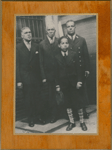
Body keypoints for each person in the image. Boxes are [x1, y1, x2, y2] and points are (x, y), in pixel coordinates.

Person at [55, 36, 87, 131]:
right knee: (68, 103)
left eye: (66, 43)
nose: (64, 45)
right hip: (64, 85)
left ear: (68, 45)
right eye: (62, 43)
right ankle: (71, 122)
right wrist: (57, 85)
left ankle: (82, 122)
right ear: (59, 45)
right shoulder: (56, 57)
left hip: (74, 84)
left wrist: (79, 81)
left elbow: (79, 69)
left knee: (78, 103)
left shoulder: (74, 54)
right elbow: (56, 73)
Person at [16, 27, 45, 127]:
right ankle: (31, 118)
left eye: (30, 32)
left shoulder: (36, 46)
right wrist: (19, 80)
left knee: (38, 98)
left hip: (36, 77)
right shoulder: (18, 47)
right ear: (22, 35)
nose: (29, 34)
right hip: (25, 78)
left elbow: (40, 63)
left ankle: (38, 117)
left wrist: (42, 77)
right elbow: (16, 65)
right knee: (28, 99)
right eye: (26, 33)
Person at [65, 20, 90, 119]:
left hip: (80, 69)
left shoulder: (82, 40)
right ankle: (75, 113)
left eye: (72, 26)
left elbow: (85, 55)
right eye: (68, 26)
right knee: (71, 91)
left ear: (75, 27)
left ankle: (83, 111)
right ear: (66, 28)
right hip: (70, 71)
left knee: (81, 91)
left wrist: (87, 69)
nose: (70, 28)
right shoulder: (64, 40)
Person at [39, 23, 59, 123]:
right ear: (46, 31)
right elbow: (40, 62)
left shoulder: (60, 41)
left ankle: (65, 113)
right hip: (49, 75)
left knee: (63, 93)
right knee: (51, 96)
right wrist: (43, 76)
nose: (51, 31)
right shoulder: (42, 44)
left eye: (52, 29)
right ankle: (53, 115)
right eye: (49, 30)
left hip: (60, 73)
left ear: (55, 31)